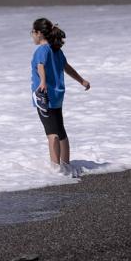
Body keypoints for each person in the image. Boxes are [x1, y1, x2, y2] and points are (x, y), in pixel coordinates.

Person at [30, 18, 90, 175]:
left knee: (52, 134)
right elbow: (67, 68)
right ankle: (66, 165)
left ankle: (56, 170)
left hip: (44, 96)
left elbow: (40, 65)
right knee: (61, 131)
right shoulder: (56, 50)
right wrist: (81, 80)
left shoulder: (42, 50)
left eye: (32, 32)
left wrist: (42, 81)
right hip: (57, 96)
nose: (32, 35)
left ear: (39, 33)